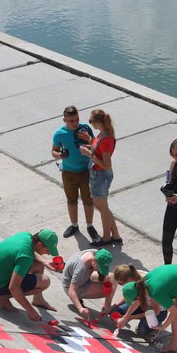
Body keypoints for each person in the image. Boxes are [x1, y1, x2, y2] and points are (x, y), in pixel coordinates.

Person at [0, 229, 59, 322]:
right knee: (45, 281)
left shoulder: (26, 236)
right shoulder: (25, 257)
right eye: (47, 250)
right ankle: (3, 297)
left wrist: (45, 261)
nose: (49, 253)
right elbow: (14, 287)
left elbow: (29, 251)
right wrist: (30, 311)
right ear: (39, 244)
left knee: (39, 264)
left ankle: (38, 299)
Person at [51, 106, 99, 241]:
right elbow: (53, 151)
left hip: (86, 170)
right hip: (68, 172)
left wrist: (88, 138)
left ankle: (90, 226)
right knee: (71, 200)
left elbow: (96, 145)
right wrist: (60, 155)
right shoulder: (59, 134)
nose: (75, 123)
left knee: (88, 201)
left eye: (77, 119)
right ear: (64, 119)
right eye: (71, 120)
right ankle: (74, 225)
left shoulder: (84, 129)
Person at [78, 109, 122, 246]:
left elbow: (107, 165)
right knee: (103, 207)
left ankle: (106, 238)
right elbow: (99, 148)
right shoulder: (102, 134)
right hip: (97, 175)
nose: (90, 123)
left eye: (91, 121)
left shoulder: (106, 139)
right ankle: (115, 235)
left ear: (97, 122)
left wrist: (89, 154)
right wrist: (90, 142)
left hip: (100, 176)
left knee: (102, 208)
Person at [111, 264, 167, 339]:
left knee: (142, 331)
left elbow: (156, 312)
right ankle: (145, 321)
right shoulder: (132, 276)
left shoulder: (151, 288)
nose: (121, 285)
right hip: (143, 304)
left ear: (128, 279)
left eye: (121, 283)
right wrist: (113, 307)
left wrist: (130, 317)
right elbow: (131, 298)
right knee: (115, 313)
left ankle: (156, 326)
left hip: (157, 311)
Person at [61, 248, 115, 321]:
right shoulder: (81, 269)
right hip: (71, 287)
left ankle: (106, 307)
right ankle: (77, 300)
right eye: (99, 268)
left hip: (84, 278)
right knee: (108, 290)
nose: (100, 270)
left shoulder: (96, 253)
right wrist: (80, 308)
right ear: (94, 260)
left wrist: (104, 280)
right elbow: (71, 291)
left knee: (112, 278)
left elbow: (105, 275)